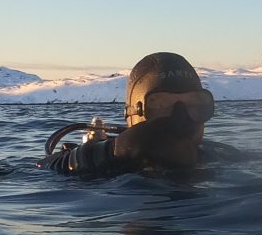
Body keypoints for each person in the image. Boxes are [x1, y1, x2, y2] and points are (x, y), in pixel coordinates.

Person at [38, 52, 237, 176]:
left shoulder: (215, 158)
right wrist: (109, 153)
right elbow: (42, 166)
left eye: (195, 104)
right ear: (135, 113)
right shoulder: (107, 165)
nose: (181, 118)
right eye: (161, 105)